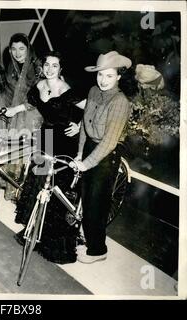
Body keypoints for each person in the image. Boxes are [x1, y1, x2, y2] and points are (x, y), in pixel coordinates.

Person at [14, 51, 86, 264]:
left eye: (55, 65)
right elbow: (31, 104)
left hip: (64, 142)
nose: (50, 69)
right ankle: (33, 230)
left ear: (60, 69)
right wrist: (12, 110)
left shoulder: (67, 90)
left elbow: (91, 107)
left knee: (56, 190)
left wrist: (80, 125)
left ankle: (53, 243)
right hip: (45, 137)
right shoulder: (39, 86)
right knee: (38, 184)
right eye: (47, 64)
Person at [69, 51, 132, 264]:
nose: (103, 80)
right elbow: (85, 127)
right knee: (85, 194)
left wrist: (86, 163)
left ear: (119, 77)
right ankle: (84, 232)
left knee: (96, 200)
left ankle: (98, 250)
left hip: (107, 153)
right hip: (89, 146)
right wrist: (80, 153)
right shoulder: (94, 91)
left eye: (109, 76)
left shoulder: (120, 101)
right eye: (100, 75)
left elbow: (109, 141)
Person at [0, 33, 43, 201]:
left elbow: (40, 98)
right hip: (15, 113)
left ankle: (22, 194)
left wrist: (17, 109)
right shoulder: (11, 66)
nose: (18, 53)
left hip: (32, 114)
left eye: (22, 49)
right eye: (14, 49)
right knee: (12, 151)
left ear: (28, 49)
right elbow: (8, 91)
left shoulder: (37, 66)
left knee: (24, 155)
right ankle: (12, 189)